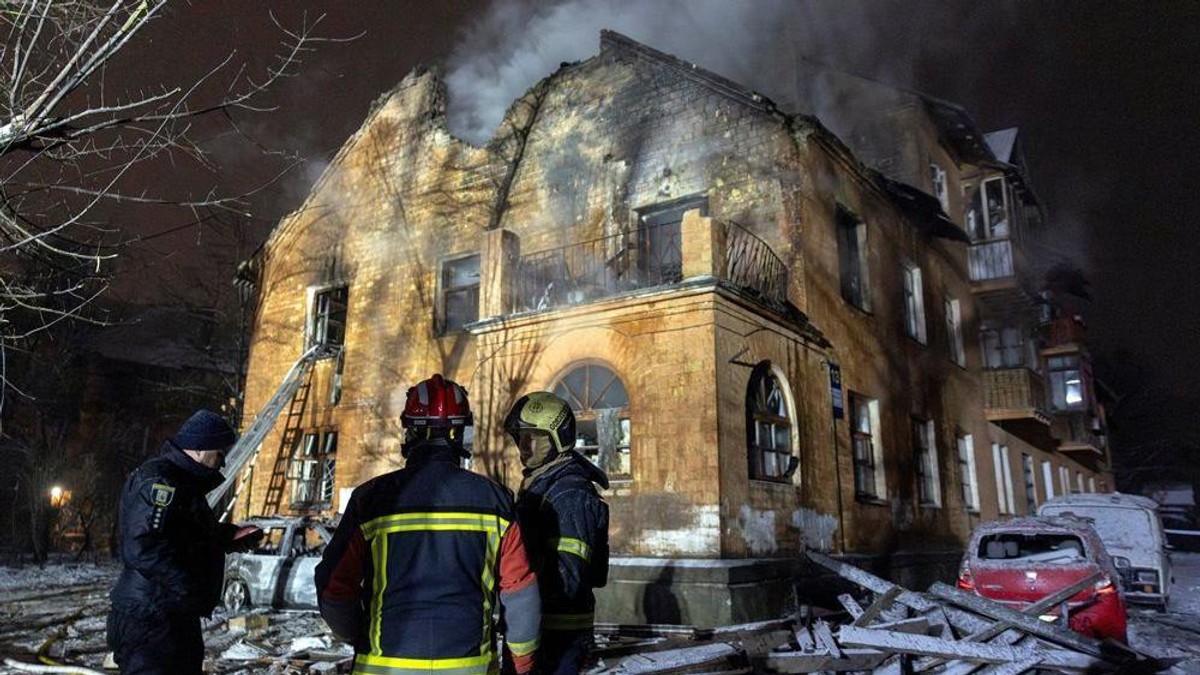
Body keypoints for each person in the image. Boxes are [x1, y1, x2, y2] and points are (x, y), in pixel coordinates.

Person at [316, 374, 541, 675]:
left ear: (410, 431)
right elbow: (521, 594)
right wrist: (522, 665)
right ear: (461, 433)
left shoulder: (370, 500)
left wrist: (357, 634)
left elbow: (333, 585)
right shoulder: (497, 502)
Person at [107, 410, 263, 674]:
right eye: (219, 453)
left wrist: (227, 537)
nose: (223, 462)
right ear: (200, 449)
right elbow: (143, 547)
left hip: (170, 613)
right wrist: (187, 586)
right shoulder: (162, 481)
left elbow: (183, 536)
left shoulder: (181, 483)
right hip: (152, 616)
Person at [504, 392, 610, 675]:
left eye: (533, 436)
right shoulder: (541, 485)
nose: (523, 445)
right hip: (538, 629)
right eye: (520, 436)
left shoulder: (570, 493)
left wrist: (518, 591)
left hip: (558, 637)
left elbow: (569, 579)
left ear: (557, 437)